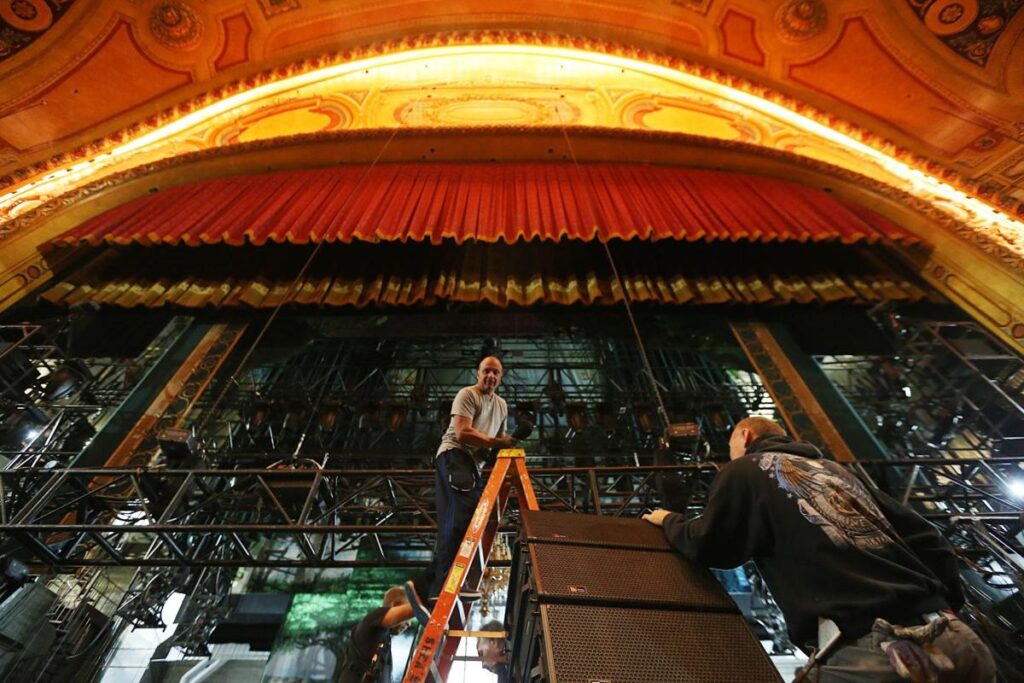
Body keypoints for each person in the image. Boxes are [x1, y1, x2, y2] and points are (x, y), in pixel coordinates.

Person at [643, 416, 996, 682]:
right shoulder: (838, 472)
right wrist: (940, 606)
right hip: (956, 638)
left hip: (873, 651)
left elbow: (712, 546)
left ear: (745, 436)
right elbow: (929, 539)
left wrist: (668, 520)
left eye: (731, 443)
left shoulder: (744, 470)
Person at [406, 356, 521, 620]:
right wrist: (498, 442)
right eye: (486, 371)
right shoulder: (467, 394)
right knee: (458, 521)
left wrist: (512, 440)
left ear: (501, 376)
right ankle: (436, 591)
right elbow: (463, 433)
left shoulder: (501, 405)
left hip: (472, 467)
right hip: (454, 456)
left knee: (467, 523)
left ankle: (424, 586)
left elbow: (494, 447)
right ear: (477, 374)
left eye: (496, 372)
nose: (490, 376)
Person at [340, 586, 415, 683]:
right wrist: (427, 605)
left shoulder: (385, 642)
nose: (409, 623)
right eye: (406, 618)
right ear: (394, 605)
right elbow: (411, 610)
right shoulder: (372, 621)